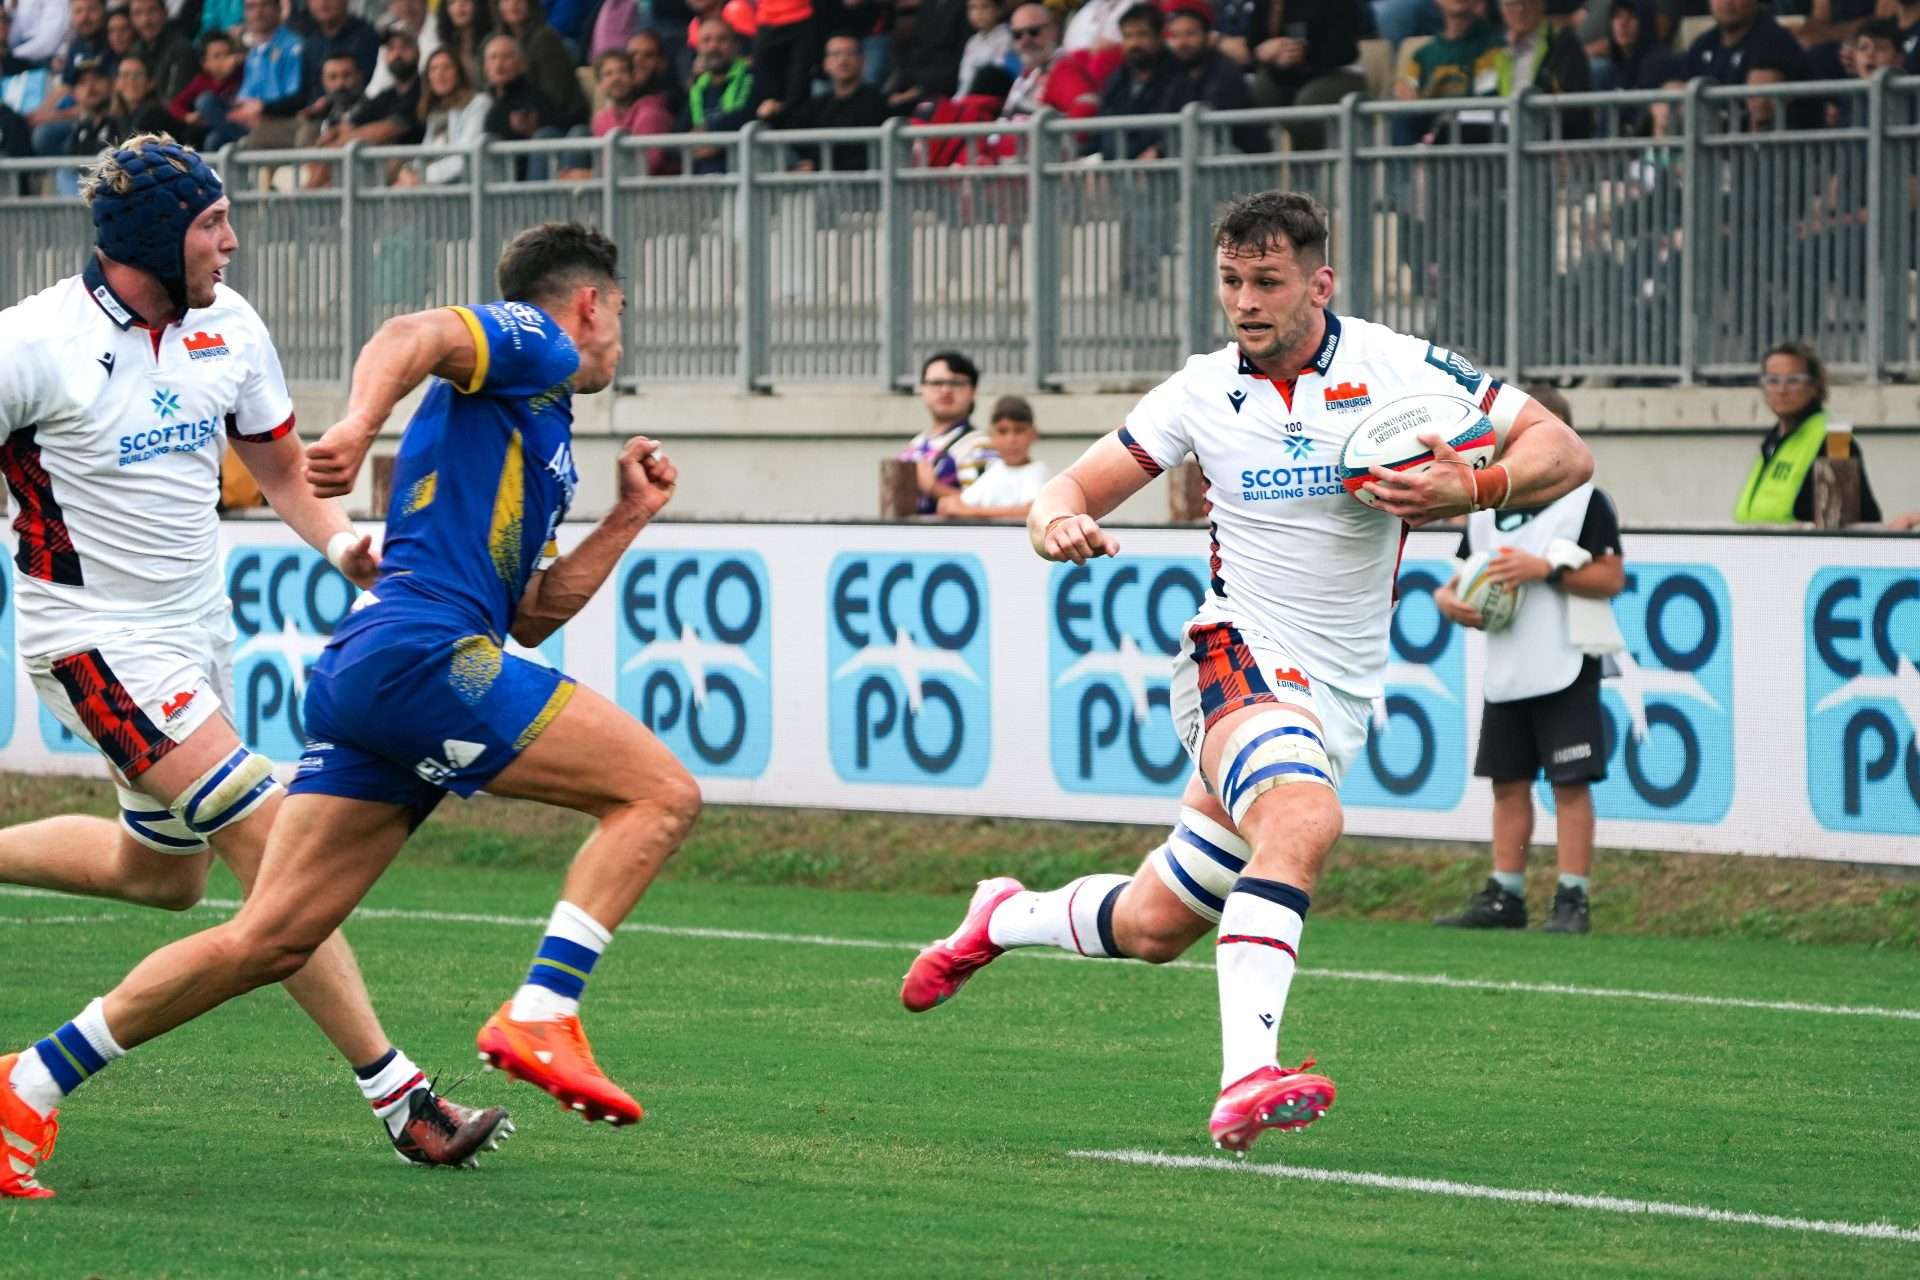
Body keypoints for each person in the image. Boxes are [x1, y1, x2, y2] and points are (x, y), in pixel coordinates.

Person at [0, 220, 703, 1198]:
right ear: (590, 303)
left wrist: (629, 516)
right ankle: (542, 1010)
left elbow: (533, 613)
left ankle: (26, 1084)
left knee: (268, 938)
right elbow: (411, 334)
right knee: (660, 794)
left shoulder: (535, 426)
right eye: (619, 311)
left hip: (378, 670)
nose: (620, 334)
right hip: (422, 656)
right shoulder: (538, 342)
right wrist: (356, 426)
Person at [899, 190, 1592, 1153]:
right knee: (1304, 820)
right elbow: (1068, 486)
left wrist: (1476, 483)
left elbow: (1563, 448)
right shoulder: (1198, 390)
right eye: (1231, 281)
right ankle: (1246, 1079)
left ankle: (1002, 914)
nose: (1245, 301)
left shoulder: (1397, 364)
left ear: (1320, 283)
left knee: (1154, 925)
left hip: (1335, 688)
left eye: (1266, 281)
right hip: (1235, 650)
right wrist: (1053, 522)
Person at [0, 135, 511, 1199]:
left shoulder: (229, 323)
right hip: (91, 639)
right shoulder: (33, 343)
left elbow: (278, 466)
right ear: (155, 239)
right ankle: (402, 1097)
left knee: (164, 875)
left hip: (196, 634)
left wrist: (343, 544)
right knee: (281, 847)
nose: (231, 242)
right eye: (212, 224)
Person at [1433, 389, 1625, 935]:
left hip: (1566, 659)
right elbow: (1461, 580)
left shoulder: (1585, 502)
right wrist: (1448, 600)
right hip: (1508, 662)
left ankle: (1572, 896)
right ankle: (1506, 893)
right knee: (1508, 780)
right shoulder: (1487, 507)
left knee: (1570, 782)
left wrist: (1546, 570)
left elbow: (1611, 577)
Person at [1732, 340, 1882, 525]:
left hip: (1801, 544)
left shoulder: (1836, 441)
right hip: (1758, 543)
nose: (1782, 390)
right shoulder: (1772, 442)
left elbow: (1838, 525)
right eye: (1772, 381)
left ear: (1814, 387)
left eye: (1793, 380)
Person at [1160, 0, 1266, 155]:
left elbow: (1211, 123)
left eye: (1190, 34)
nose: (1182, 43)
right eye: (1175, 36)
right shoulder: (1175, 73)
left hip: (1238, 159)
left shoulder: (1225, 71)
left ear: (1208, 37)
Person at [896, 350, 994, 514]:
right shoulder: (914, 445)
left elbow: (988, 509)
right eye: (936, 383)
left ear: (973, 390)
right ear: (922, 389)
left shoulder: (981, 446)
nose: (946, 390)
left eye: (956, 383)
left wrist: (934, 487)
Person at [781, 34, 889, 170]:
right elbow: (794, 134)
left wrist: (818, 167)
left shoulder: (875, 102)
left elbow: (864, 154)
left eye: (850, 53)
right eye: (836, 54)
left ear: (863, 61)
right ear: (826, 64)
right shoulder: (818, 104)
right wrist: (774, 114)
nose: (843, 60)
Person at [937, 395, 1048, 519]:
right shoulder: (995, 469)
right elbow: (965, 501)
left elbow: (1032, 511)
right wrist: (948, 504)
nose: (1011, 439)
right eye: (1002, 431)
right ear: (991, 435)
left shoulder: (1036, 470)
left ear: (1033, 434)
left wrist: (970, 512)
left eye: (1019, 431)